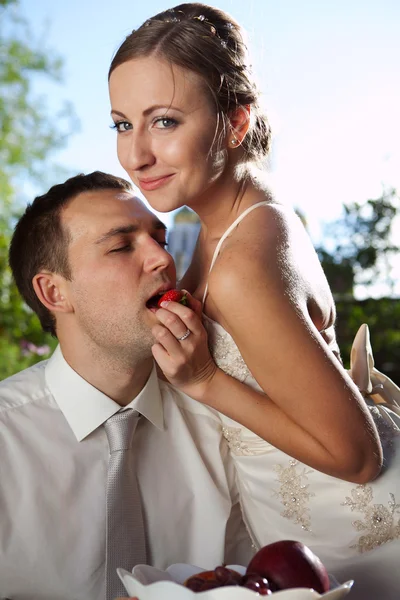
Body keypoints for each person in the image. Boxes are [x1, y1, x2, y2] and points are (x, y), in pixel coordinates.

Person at [107, 4, 400, 598]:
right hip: (295, 533)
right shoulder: (237, 221)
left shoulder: (244, 260)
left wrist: (207, 379)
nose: (135, 154)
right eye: (120, 124)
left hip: (350, 533)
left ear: (236, 123)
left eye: (163, 122)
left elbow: (356, 456)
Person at [0, 171, 253, 600]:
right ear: (55, 293)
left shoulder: (227, 422)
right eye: (121, 246)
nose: (162, 260)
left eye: (162, 240)